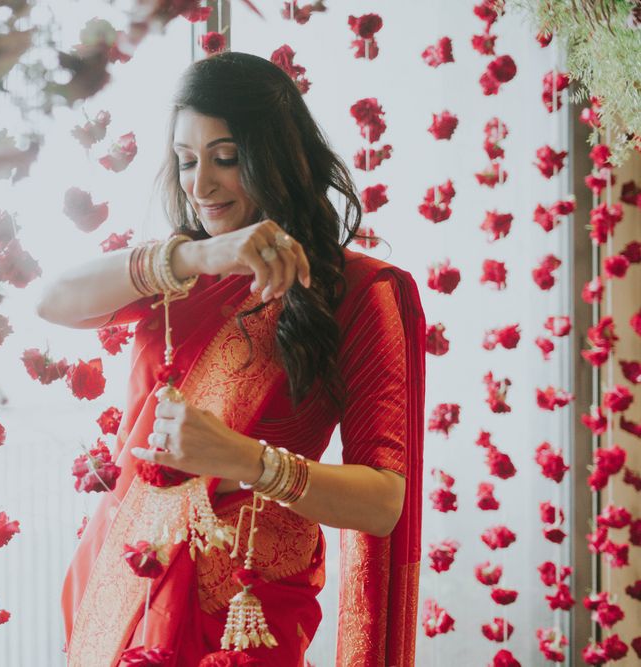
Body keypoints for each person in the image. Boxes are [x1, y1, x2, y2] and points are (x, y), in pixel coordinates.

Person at [39, 51, 425, 667]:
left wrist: (244, 459)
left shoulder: (358, 291)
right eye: (187, 162)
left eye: (225, 158)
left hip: (244, 607)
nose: (201, 184)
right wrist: (196, 258)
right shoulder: (178, 271)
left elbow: (382, 504)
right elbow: (52, 302)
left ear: (281, 159)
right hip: (127, 576)